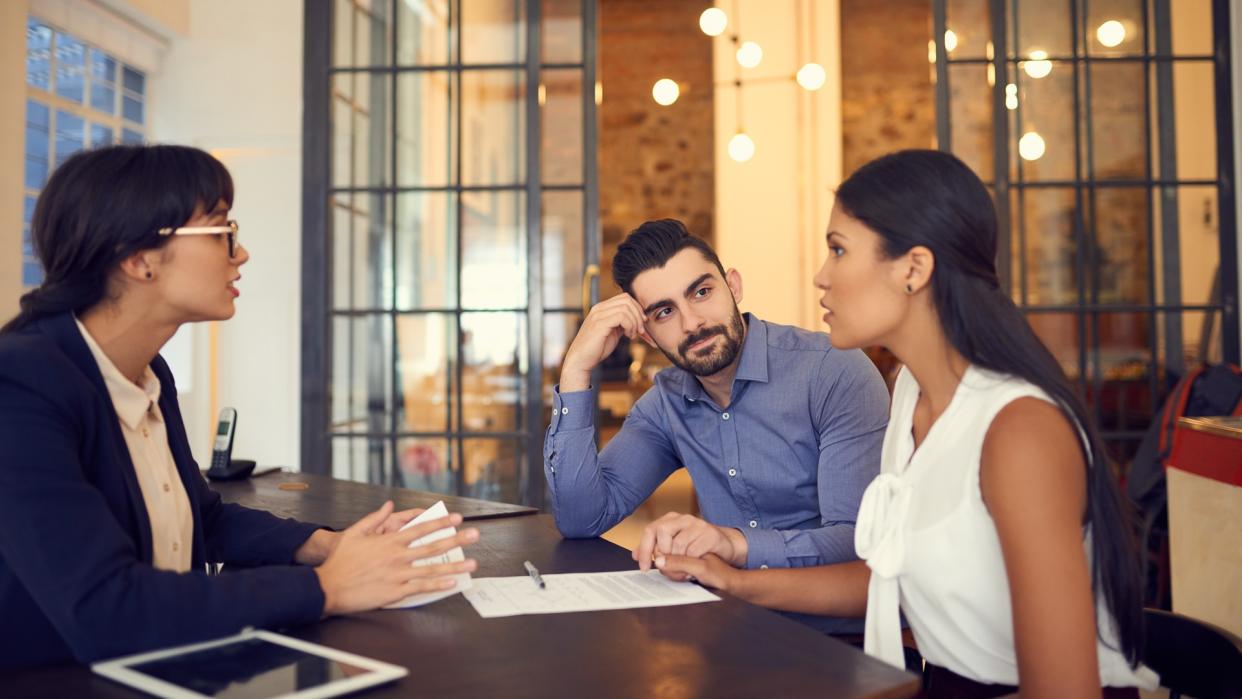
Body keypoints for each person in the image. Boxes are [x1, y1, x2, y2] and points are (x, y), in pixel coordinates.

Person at [655, 150, 1157, 696]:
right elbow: (893, 581)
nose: (821, 277)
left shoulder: (1018, 430)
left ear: (914, 269)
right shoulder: (911, 394)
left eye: (838, 250)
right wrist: (731, 581)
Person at [0, 145, 479, 669]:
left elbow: (202, 519)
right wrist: (327, 587)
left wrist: (328, 546)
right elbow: (105, 610)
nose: (241, 253)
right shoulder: (20, 385)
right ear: (137, 259)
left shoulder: (149, 371)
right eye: (222, 231)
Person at [544, 219, 889, 633]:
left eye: (702, 292)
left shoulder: (831, 371)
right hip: (729, 630)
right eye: (665, 312)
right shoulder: (666, 403)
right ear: (648, 335)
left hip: (839, 638)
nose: (692, 323)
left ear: (734, 287)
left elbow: (856, 539)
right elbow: (582, 518)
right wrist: (576, 369)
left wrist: (733, 544)